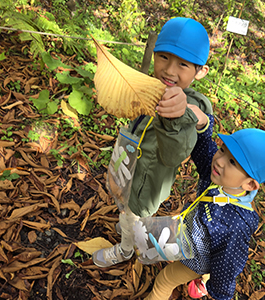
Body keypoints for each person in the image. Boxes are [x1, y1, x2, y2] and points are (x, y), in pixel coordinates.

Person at [92, 17, 213, 267]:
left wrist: (178, 116)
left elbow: (174, 153)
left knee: (132, 213)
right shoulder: (150, 87)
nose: (170, 70)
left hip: (146, 182)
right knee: (124, 206)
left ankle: (126, 249)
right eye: (164, 57)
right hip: (127, 165)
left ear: (200, 71)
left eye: (183, 64)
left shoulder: (193, 106)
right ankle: (128, 226)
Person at [144, 106, 265, 300]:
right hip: (190, 235)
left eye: (233, 162)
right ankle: (204, 279)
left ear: (250, 184)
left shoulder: (234, 223)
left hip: (195, 258)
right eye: (223, 150)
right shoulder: (221, 177)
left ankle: (204, 280)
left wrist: (220, 292)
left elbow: (227, 262)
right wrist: (203, 124)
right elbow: (204, 151)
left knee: (165, 280)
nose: (220, 160)